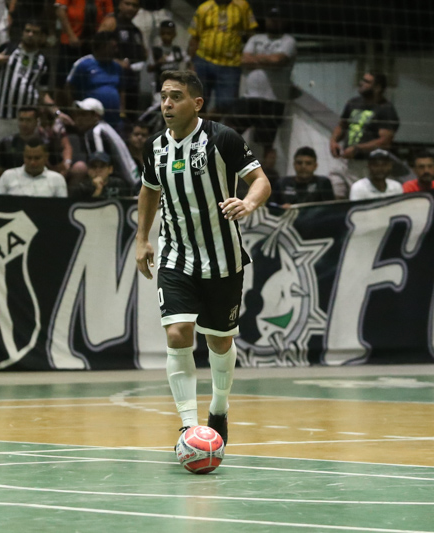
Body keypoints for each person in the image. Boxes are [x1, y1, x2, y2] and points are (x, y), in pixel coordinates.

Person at [135, 70, 272, 447]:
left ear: (196, 104)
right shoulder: (155, 147)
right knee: (178, 332)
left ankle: (220, 407)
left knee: (219, 342)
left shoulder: (221, 138)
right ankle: (187, 427)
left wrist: (248, 202)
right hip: (175, 256)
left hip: (223, 259)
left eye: (175, 97)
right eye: (163, 96)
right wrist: (142, 238)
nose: (166, 104)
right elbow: (149, 191)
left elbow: (261, 181)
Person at [228, 6, 296, 164]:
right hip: (250, 96)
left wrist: (256, 59)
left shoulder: (288, 41)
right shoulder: (255, 39)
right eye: (271, 19)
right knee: (230, 130)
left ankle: (268, 180)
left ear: (284, 22)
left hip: (273, 100)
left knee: (267, 143)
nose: (274, 22)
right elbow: (243, 60)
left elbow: (278, 61)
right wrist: (268, 60)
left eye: (278, 19)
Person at [0, 20, 49, 166]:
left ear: (42, 37)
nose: (30, 35)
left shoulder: (43, 61)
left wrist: (55, 112)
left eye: (35, 32)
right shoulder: (8, 48)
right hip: (1, 117)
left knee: (25, 161)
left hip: (28, 121)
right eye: (27, 31)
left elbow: (43, 93)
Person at [330, 71, 400, 194]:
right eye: (362, 80)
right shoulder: (353, 102)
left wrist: (358, 148)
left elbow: (385, 141)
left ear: (377, 88)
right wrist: (333, 141)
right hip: (346, 161)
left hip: (366, 164)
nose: (361, 83)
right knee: (335, 189)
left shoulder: (385, 109)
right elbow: (342, 125)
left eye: (367, 82)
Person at [188, 0, 257, 115]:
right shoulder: (204, 8)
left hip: (230, 64)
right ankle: (199, 129)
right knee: (197, 101)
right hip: (203, 60)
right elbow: (195, 37)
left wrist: (250, 55)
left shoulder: (242, 6)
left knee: (227, 103)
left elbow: (251, 33)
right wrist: (191, 62)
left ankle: (208, 125)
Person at [72, 97, 139, 187]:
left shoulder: (96, 132)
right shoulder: (105, 127)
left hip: (125, 186)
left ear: (96, 116)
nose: (79, 118)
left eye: (83, 114)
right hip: (134, 181)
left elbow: (100, 165)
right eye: (78, 114)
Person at [101, 0, 147, 123]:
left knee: (131, 120)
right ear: (120, 5)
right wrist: (116, 61)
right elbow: (97, 48)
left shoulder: (136, 30)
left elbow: (143, 53)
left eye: (135, 5)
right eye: (128, 4)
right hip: (113, 81)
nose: (131, 8)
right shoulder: (111, 23)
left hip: (132, 83)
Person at [66, 31, 123, 126]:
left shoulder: (117, 67)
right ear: (102, 47)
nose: (116, 51)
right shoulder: (83, 64)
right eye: (112, 47)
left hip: (115, 120)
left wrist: (122, 113)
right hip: (90, 120)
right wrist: (74, 112)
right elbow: (68, 88)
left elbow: (121, 90)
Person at [54, 0, 115, 85]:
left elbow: (110, 17)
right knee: (63, 80)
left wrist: (97, 40)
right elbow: (60, 9)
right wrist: (71, 35)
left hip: (93, 46)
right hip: (70, 42)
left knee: (89, 80)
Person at [0, 137, 68, 196]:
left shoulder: (57, 179)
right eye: (29, 158)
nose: (32, 162)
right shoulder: (8, 176)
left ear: (46, 157)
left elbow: (62, 208)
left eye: (37, 158)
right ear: (23, 157)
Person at [0, 106, 39, 188]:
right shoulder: (6, 143)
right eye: (21, 120)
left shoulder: (46, 142)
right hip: (12, 187)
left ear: (36, 122)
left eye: (28, 120)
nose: (24, 124)